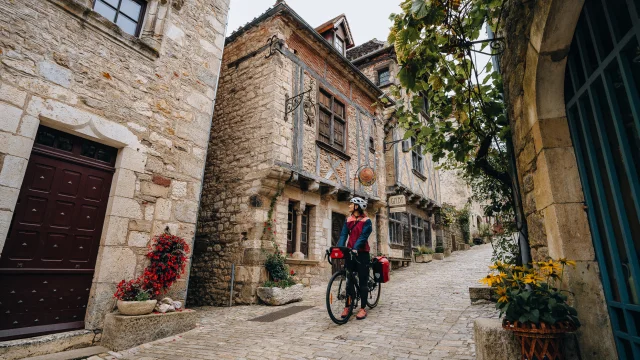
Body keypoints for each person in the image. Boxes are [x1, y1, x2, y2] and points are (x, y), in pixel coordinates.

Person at [337, 197, 372, 320]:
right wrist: (340, 248)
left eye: (351, 204)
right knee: (349, 282)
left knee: (363, 282)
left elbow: (363, 237)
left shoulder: (367, 221)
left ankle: (362, 308)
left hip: (362, 253)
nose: (349, 206)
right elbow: (343, 235)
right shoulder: (348, 220)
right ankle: (348, 306)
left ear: (357, 206)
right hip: (350, 253)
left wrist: (356, 247)